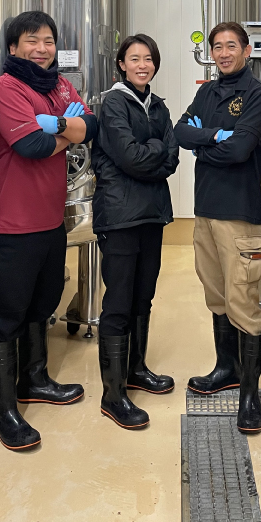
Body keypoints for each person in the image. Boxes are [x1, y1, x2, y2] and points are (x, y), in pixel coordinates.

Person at [0, 11, 96, 451]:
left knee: (41, 304)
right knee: (5, 317)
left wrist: (59, 127)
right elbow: (30, 145)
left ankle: (34, 380)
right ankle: (2, 412)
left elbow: (92, 125)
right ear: (13, 48)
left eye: (48, 40)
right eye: (32, 40)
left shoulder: (58, 85)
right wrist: (68, 132)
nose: (42, 49)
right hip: (8, 221)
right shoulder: (5, 88)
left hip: (49, 217)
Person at [174, 22, 261, 435]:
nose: (224, 53)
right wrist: (215, 135)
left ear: (247, 50)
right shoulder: (207, 92)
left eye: (232, 45)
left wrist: (204, 145)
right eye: (218, 46)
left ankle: (249, 396)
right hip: (205, 210)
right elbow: (179, 131)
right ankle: (226, 368)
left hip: (238, 213)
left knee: (242, 299)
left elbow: (240, 150)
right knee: (215, 293)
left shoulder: (258, 94)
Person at [92, 33, 179, 429]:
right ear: (121, 64)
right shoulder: (113, 103)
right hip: (120, 215)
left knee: (144, 295)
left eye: (148, 59)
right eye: (135, 58)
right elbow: (131, 157)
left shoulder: (157, 105)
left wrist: (154, 153)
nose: (142, 65)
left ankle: (136, 369)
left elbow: (172, 158)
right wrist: (156, 150)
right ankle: (113, 395)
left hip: (152, 214)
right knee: (119, 300)